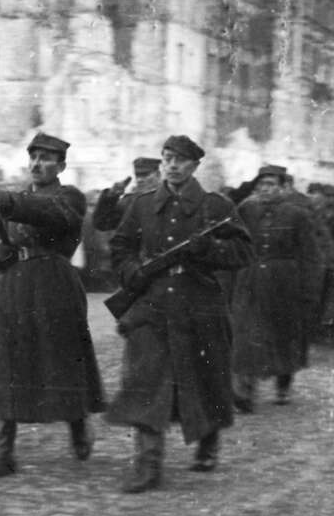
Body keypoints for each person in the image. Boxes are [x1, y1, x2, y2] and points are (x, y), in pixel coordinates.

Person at [106, 135, 252, 493]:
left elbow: (243, 252)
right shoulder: (141, 204)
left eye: (181, 160)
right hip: (152, 304)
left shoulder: (215, 206)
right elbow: (121, 246)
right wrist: (130, 272)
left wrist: (210, 247)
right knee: (146, 382)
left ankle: (207, 443)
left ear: (195, 166)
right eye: (167, 158)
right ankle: (147, 466)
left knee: (204, 379)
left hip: (199, 304)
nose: (172, 165)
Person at [0, 132, 104, 481]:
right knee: (8, 363)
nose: (37, 164)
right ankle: (3, 454)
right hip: (16, 287)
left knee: (62, 360)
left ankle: (78, 426)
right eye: (33, 158)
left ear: (61, 165)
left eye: (47, 159)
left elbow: (56, 216)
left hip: (55, 284)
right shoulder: (12, 200)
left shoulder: (69, 197)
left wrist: (8, 201)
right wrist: (1, 255)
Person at [230, 165, 320, 412]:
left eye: (270, 185)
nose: (265, 190)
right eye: (261, 185)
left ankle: (283, 383)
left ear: (282, 188)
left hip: (284, 283)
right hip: (250, 279)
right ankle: (244, 390)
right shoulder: (246, 209)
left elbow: (309, 254)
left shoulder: (297, 214)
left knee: (283, 333)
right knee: (246, 333)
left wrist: (309, 288)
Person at [92, 156, 162, 233]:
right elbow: (102, 223)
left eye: (145, 175)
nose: (139, 180)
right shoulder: (129, 201)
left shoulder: (167, 198)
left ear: (158, 175)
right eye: (137, 175)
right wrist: (111, 195)